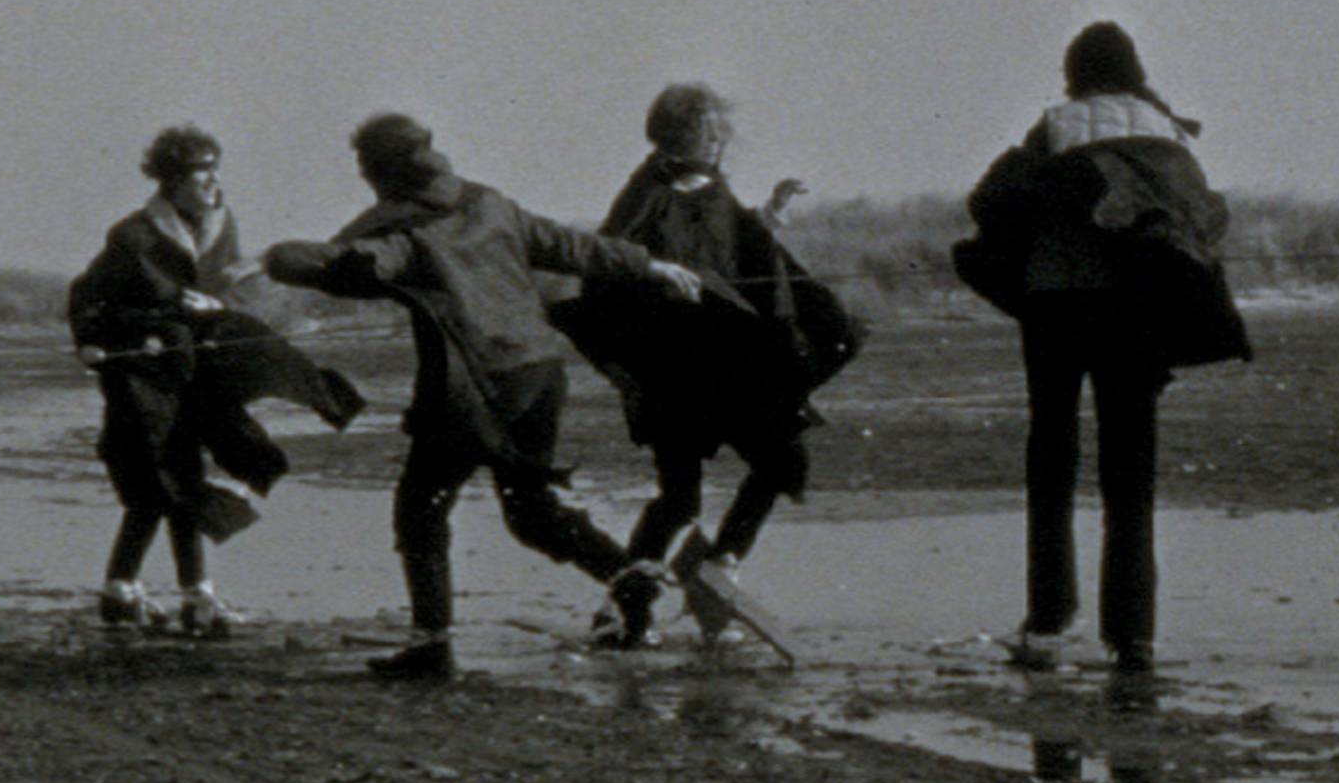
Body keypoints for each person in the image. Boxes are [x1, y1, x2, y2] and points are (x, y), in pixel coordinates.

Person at [263, 113, 702, 681]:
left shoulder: (401, 229)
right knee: (532, 513)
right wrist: (650, 265)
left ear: (378, 172)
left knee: (421, 507)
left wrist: (274, 259)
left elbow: (356, 263)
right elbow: (571, 246)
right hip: (540, 373)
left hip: (475, 382)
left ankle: (431, 646)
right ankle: (629, 579)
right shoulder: (490, 202)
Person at [953, 24, 1252, 671]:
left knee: (1053, 458)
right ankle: (1134, 633)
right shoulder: (1166, 128)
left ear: (1074, 72)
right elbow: (1200, 218)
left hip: (1056, 302)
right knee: (1132, 466)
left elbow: (994, 203)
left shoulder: (1057, 123)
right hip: (1137, 307)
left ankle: (1049, 622)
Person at [553, 84, 857, 647]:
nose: (720, 143)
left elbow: (737, 247)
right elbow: (608, 268)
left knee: (782, 461)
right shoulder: (645, 196)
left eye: (723, 133)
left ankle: (721, 564)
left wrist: (769, 216)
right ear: (675, 135)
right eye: (708, 132)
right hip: (672, 365)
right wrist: (655, 279)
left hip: (729, 359)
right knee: (680, 497)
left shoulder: (716, 189)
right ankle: (623, 612)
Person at [65, 126, 366, 636]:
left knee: (181, 475)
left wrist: (219, 306)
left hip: (197, 367)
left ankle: (152, 591)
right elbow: (86, 294)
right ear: (173, 179)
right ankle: (165, 593)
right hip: (141, 367)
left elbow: (233, 287)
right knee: (161, 477)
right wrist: (89, 342)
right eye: (201, 170)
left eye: (214, 167)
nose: (212, 180)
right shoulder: (132, 234)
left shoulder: (221, 227)